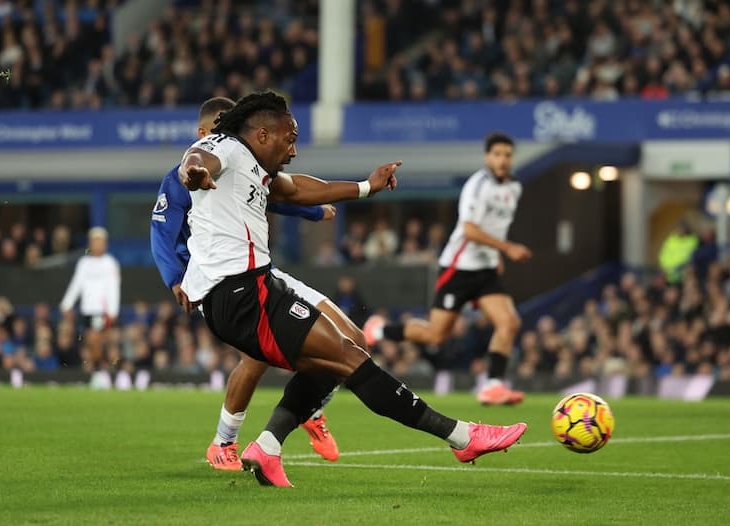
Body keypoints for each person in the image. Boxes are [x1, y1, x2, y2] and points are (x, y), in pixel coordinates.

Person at [180, 91, 527, 487]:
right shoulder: (221, 147)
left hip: (252, 287)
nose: (293, 150)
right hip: (241, 294)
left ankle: (268, 446)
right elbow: (195, 160)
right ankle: (463, 437)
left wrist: (365, 187)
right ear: (262, 135)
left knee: (341, 350)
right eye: (289, 139)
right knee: (349, 358)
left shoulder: (252, 166)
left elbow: (297, 190)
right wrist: (193, 171)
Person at [151, 96, 360, 469]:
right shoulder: (184, 174)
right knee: (259, 355)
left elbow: (273, 196)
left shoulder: (246, 164)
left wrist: (313, 212)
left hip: (259, 270)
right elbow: (161, 231)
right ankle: (226, 441)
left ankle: (307, 407)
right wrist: (175, 279)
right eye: (219, 127)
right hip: (214, 278)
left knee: (351, 338)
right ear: (202, 135)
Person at [363, 132, 531, 406]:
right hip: (459, 268)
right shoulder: (477, 186)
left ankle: (493, 385)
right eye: (497, 154)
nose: (502, 160)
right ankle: (379, 330)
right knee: (436, 335)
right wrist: (506, 248)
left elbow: (495, 226)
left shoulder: (514, 188)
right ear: (488, 157)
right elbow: (469, 229)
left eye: (507, 155)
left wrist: (496, 255)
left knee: (509, 322)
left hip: (486, 270)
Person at [59, 227, 120, 369]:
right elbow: (76, 284)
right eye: (94, 241)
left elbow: (113, 289)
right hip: (86, 310)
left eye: (100, 241)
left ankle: (99, 368)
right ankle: (98, 368)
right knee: (90, 343)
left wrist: (113, 312)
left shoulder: (110, 263)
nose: (97, 244)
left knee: (96, 340)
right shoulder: (84, 263)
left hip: (102, 311)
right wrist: (66, 304)